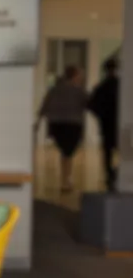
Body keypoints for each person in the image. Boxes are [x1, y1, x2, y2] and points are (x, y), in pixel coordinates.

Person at [36, 65, 89, 192]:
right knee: (68, 152)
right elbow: (90, 104)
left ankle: (66, 179)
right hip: (73, 124)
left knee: (65, 152)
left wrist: (38, 122)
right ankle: (66, 180)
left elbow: (44, 105)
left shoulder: (54, 89)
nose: (80, 77)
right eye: (79, 75)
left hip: (56, 124)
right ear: (74, 76)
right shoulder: (79, 91)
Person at [88, 57, 120, 191]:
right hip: (119, 123)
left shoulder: (101, 87)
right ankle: (118, 172)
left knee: (107, 151)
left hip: (106, 123)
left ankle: (110, 174)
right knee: (123, 149)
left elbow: (91, 105)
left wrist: (101, 115)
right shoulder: (122, 86)